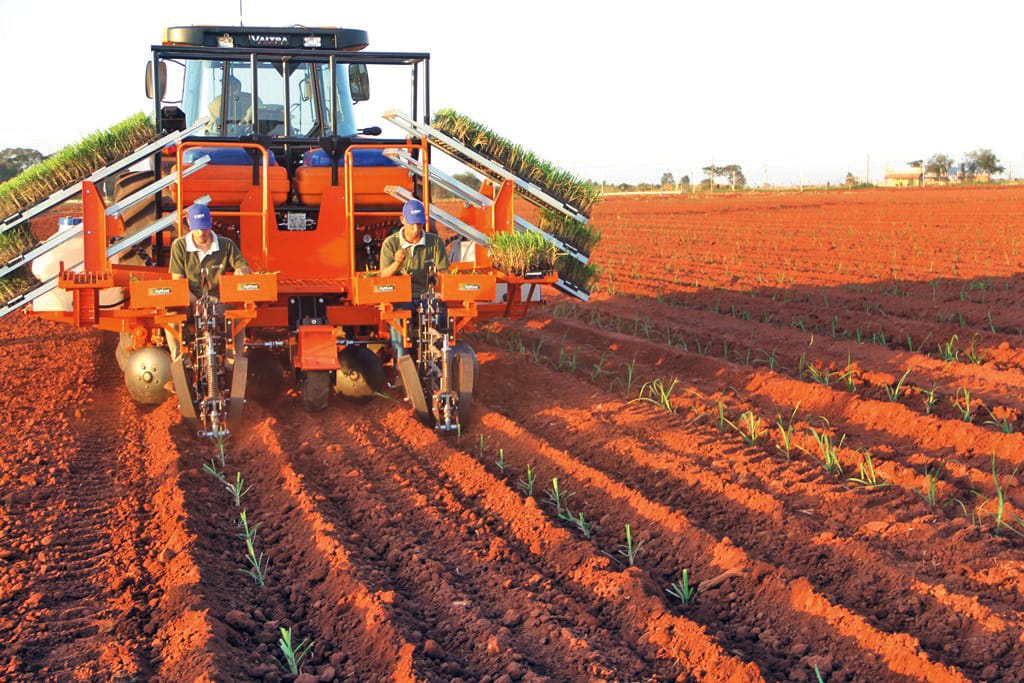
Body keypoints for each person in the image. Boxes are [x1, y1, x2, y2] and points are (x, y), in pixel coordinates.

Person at [166, 203, 251, 362]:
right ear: (189, 224)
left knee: (237, 318)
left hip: (217, 301)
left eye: (205, 228)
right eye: (198, 228)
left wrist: (241, 271)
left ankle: (233, 363)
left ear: (210, 222)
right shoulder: (179, 246)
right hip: (190, 301)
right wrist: (194, 301)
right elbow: (177, 282)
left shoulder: (226, 245)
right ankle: (181, 363)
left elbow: (243, 265)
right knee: (172, 319)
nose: (202, 232)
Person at [379, 198, 449, 359]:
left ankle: (439, 359)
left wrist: (443, 289)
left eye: (419, 224)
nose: (416, 229)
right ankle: (402, 364)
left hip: (427, 294)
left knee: (442, 314)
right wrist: (397, 263)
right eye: (412, 225)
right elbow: (384, 276)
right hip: (402, 297)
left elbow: (443, 271)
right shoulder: (391, 244)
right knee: (398, 321)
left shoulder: (434, 242)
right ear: (402, 220)